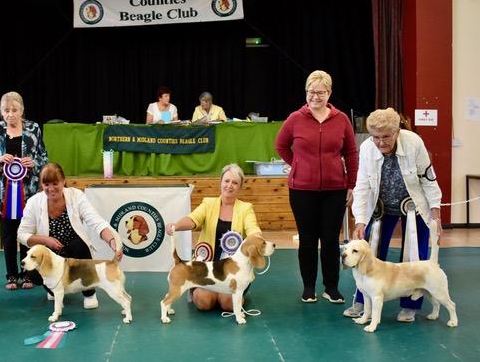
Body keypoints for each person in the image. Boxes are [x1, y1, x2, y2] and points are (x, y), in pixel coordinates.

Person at [343, 107, 442, 322]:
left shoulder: (414, 142)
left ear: (397, 131)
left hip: (413, 205)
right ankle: (362, 300)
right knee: (367, 253)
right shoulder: (368, 148)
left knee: (415, 255)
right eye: (375, 137)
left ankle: (410, 306)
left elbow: (428, 178)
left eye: (386, 136)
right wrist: (359, 219)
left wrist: (436, 211)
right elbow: (361, 186)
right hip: (380, 207)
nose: (380, 142)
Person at [275, 70, 358, 304]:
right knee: (308, 239)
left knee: (331, 239)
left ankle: (331, 287)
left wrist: (351, 183)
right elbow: (281, 146)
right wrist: (299, 165)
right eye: (311, 92)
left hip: (335, 190)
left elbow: (351, 153)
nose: (315, 96)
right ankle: (308, 287)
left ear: (329, 93)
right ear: (306, 92)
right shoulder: (295, 118)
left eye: (320, 92)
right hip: (302, 190)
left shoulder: (341, 119)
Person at [18, 162, 122, 307]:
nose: (51, 188)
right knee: (33, 272)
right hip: (51, 251)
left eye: (55, 183)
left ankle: (89, 293)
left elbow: (96, 222)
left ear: (63, 181)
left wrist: (111, 240)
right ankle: (52, 288)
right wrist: (46, 240)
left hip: (74, 249)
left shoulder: (76, 196)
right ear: (41, 184)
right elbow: (22, 234)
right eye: (46, 184)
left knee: (80, 246)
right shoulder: (33, 202)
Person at [166, 163, 262, 311]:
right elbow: (193, 219)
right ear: (221, 182)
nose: (230, 185)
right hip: (206, 269)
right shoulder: (208, 203)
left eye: (235, 183)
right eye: (227, 181)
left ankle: (230, 296)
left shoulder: (245, 208)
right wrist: (176, 226)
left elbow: (252, 228)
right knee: (204, 302)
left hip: (232, 272)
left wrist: (256, 237)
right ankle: (209, 292)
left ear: (240, 187)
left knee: (227, 304)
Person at [0, 91, 48, 290]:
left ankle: (28, 274)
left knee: (27, 234)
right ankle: (12, 275)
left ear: (22, 111)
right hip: (3, 194)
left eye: (14, 110)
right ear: (1, 112)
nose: (10, 114)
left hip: (28, 192)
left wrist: (34, 162)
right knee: (9, 235)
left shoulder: (34, 128)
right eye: (6, 110)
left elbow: (44, 157)